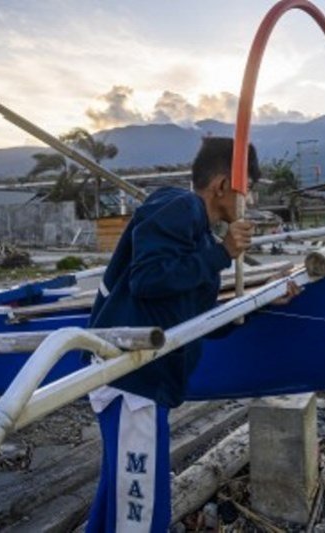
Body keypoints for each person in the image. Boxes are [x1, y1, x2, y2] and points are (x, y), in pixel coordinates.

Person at [85, 137, 263, 532]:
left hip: (146, 384)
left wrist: (256, 307)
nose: (249, 198)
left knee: (116, 500)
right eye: (247, 186)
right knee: (142, 511)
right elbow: (148, 279)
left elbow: (192, 319)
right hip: (134, 385)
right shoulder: (179, 207)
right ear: (222, 185)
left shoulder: (199, 237)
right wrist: (222, 254)